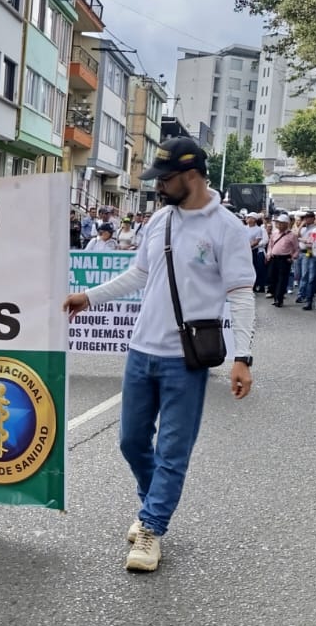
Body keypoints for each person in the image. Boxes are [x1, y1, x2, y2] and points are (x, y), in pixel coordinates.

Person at [62, 135, 255, 573]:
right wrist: (88, 297)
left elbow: (241, 295)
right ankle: (154, 503)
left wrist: (243, 356)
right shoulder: (160, 221)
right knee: (131, 442)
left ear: (191, 176)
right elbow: (139, 275)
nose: (158, 187)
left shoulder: (227, 227)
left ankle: (152, 525)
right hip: (140, 351)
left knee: (172, 450)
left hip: (185, 360)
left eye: (164, 179)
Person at [265, 213, 299, 306]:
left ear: (286, 224)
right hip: (274, 258)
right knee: (273, 278)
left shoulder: (292, 235)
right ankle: (275, 296)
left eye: (281, 223)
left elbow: (296, 249)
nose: (278, 225)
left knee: (282, 279)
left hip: (285, 259)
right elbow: (270, 245)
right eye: (277, 223)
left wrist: (292, 258)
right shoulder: (275, 233)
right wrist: (269, 254)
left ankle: (279, 299)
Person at [246, 213, 269, 293]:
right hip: (245, 250)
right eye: (248, 218)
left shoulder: (258, 229)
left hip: (255, 251)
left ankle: (256, 285)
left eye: (250, 218)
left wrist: (249, 246)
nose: (248, 219)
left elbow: (258, 240)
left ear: (255, 220)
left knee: (256, 268)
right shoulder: (244, 228)